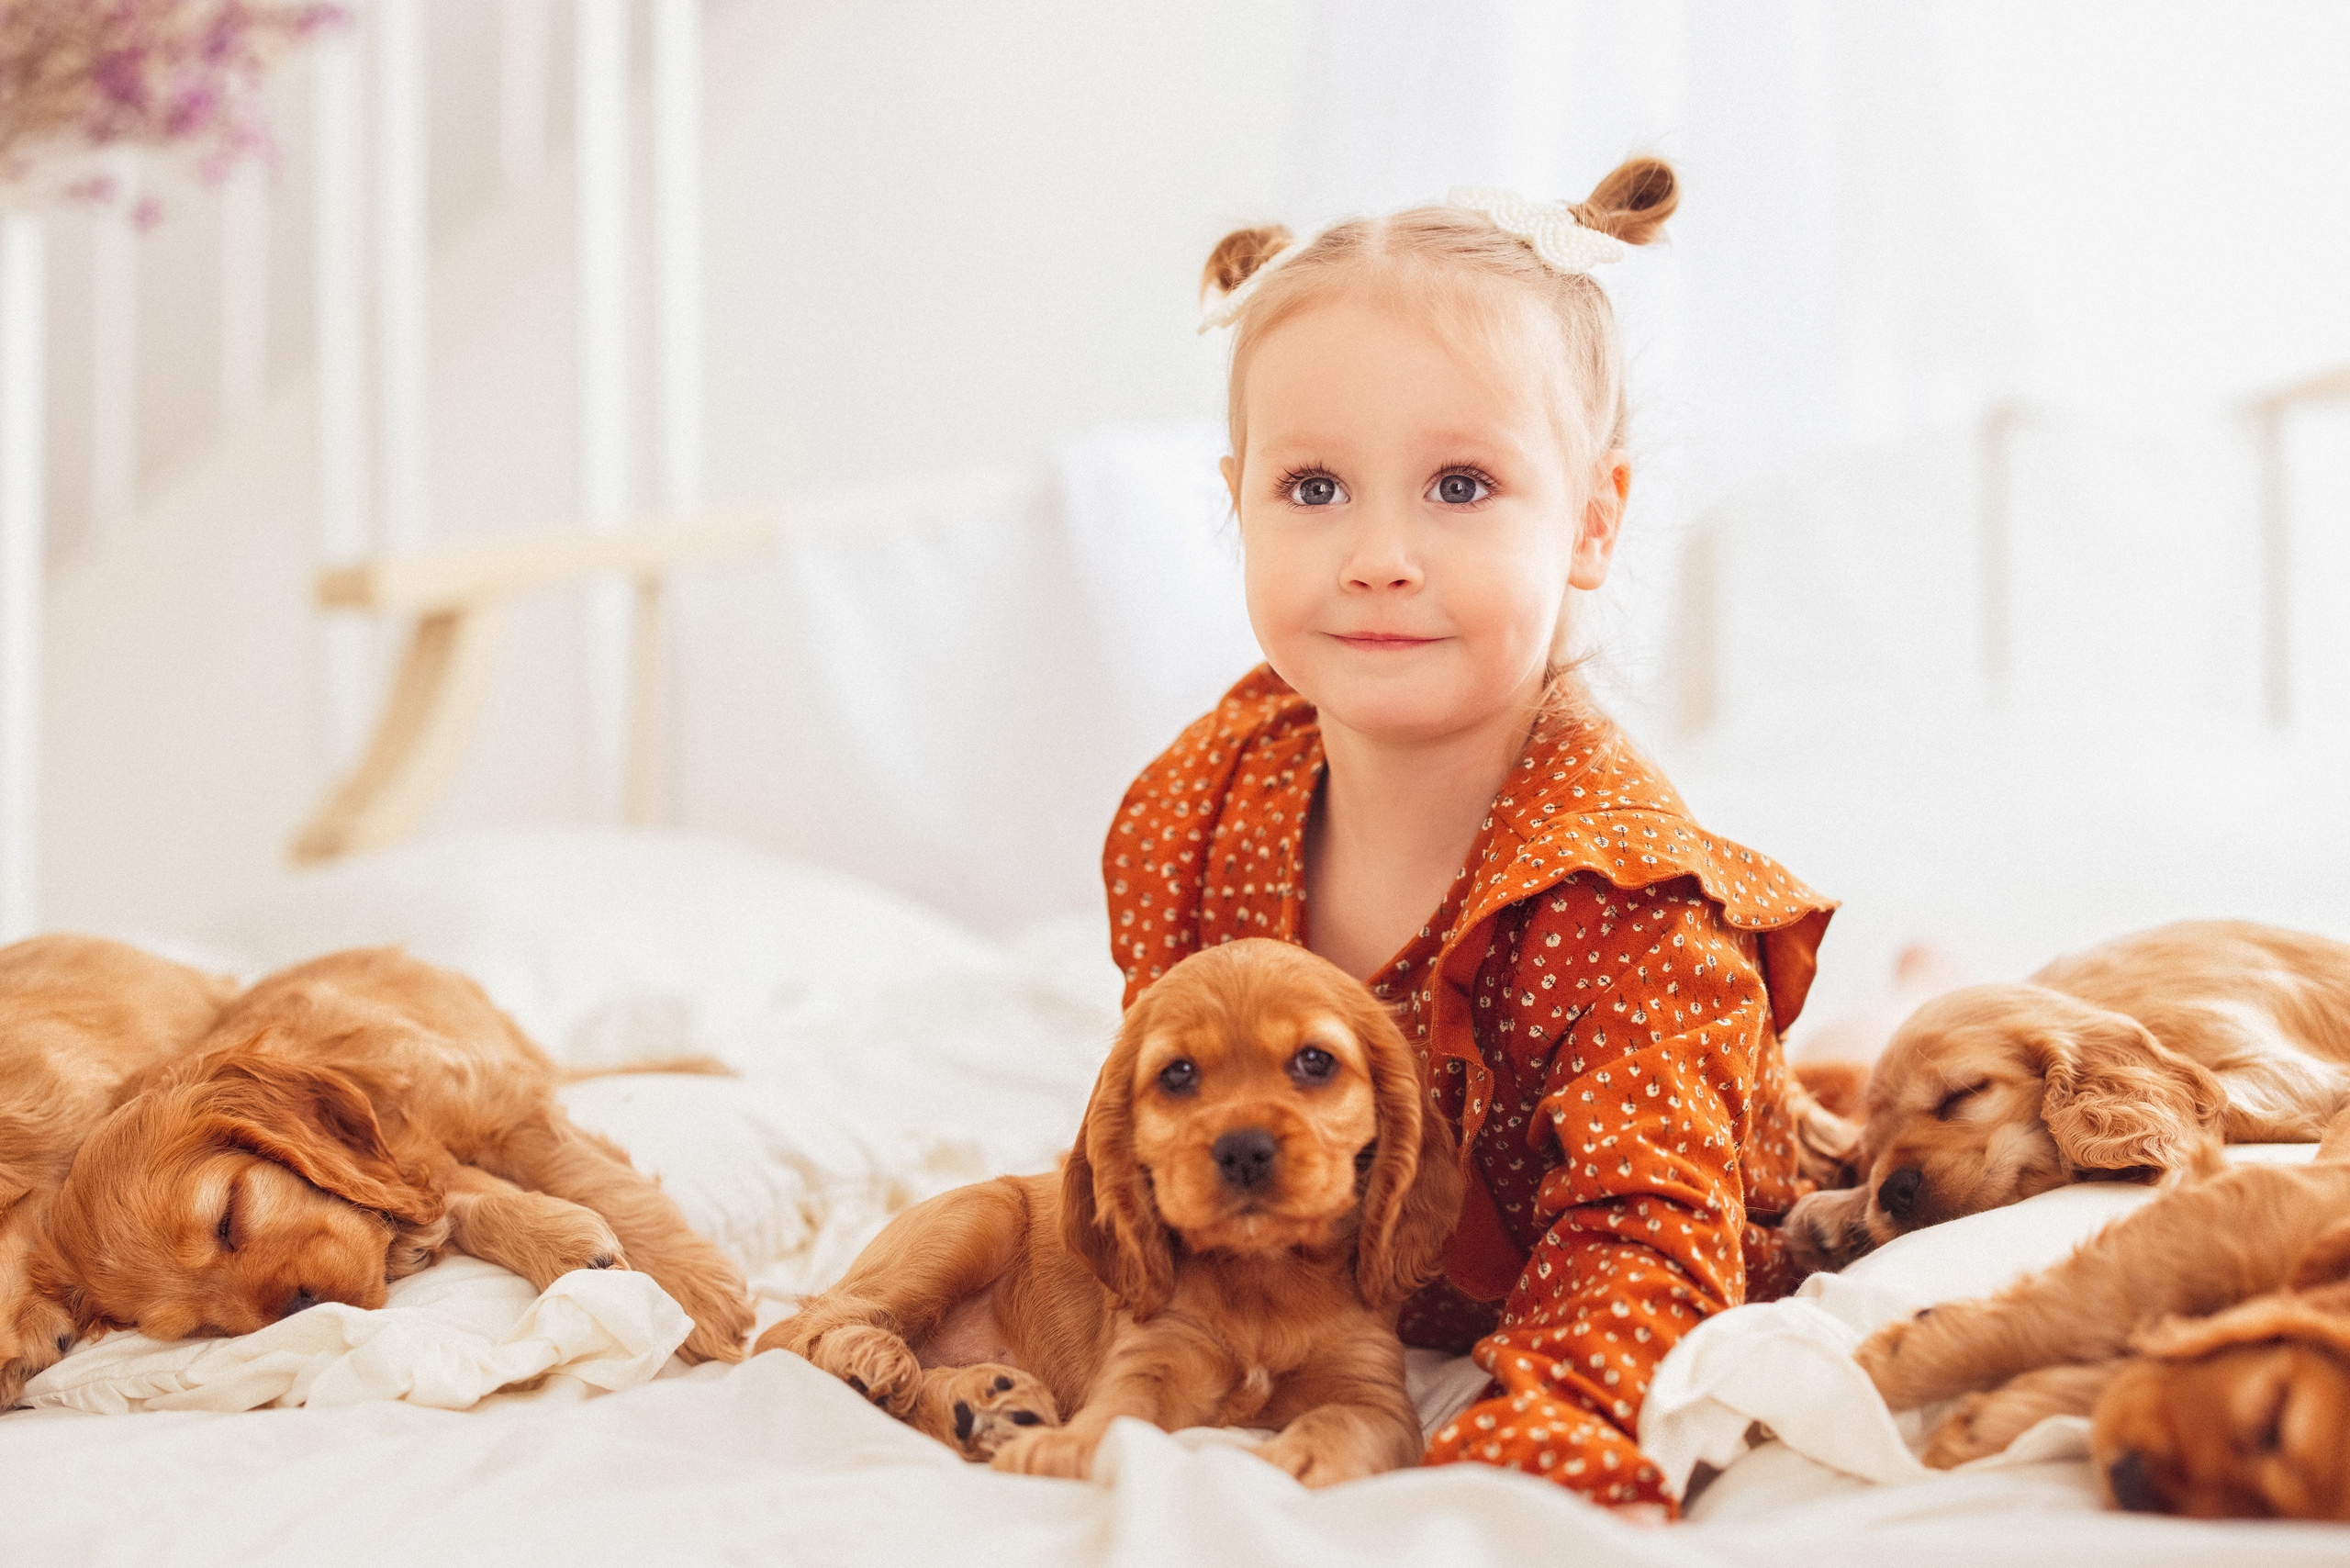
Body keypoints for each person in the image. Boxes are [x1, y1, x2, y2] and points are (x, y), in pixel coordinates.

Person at [1101, 160, 1841, 1511]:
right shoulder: (1208, 805)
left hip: (1657, 1178)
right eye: (1313, 488)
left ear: (1593, 520)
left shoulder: (1627, 907)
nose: (1379, 554)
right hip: (1353, 1286)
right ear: (1236, 498)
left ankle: (1874, 1033)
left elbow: (1643, 1245)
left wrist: (1521, 1452)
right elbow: (1161, 1126)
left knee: (1856, 1116)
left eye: (1459, 485)